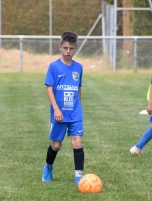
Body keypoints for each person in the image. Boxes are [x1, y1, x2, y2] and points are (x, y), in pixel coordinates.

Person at [42, 31, 85, 184]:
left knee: (77, 142)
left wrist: (77, 106)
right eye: (65, 48)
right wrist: (56, 109)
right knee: (56, 145)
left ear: (75, 48)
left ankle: (78, 175)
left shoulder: (78, 67)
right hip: (59, 113)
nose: (68, 51)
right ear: (60, 47)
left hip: (74, 113)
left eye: (71, 48)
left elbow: (78, 88)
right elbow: (49, 88)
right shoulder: (54, 67)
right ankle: (48, 167)